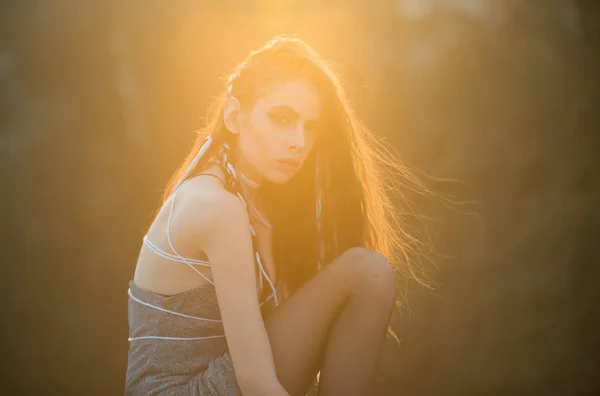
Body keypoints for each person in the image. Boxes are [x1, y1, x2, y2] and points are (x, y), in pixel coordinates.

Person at [125, 35, 430, 396]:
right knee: (366, 272)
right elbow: (255, 380)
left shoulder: (255, 200)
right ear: (235, 117)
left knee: (369, 272)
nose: (299, 141)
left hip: (222, 379)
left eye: (310, 127)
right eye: (281, 118)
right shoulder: (216, 206)